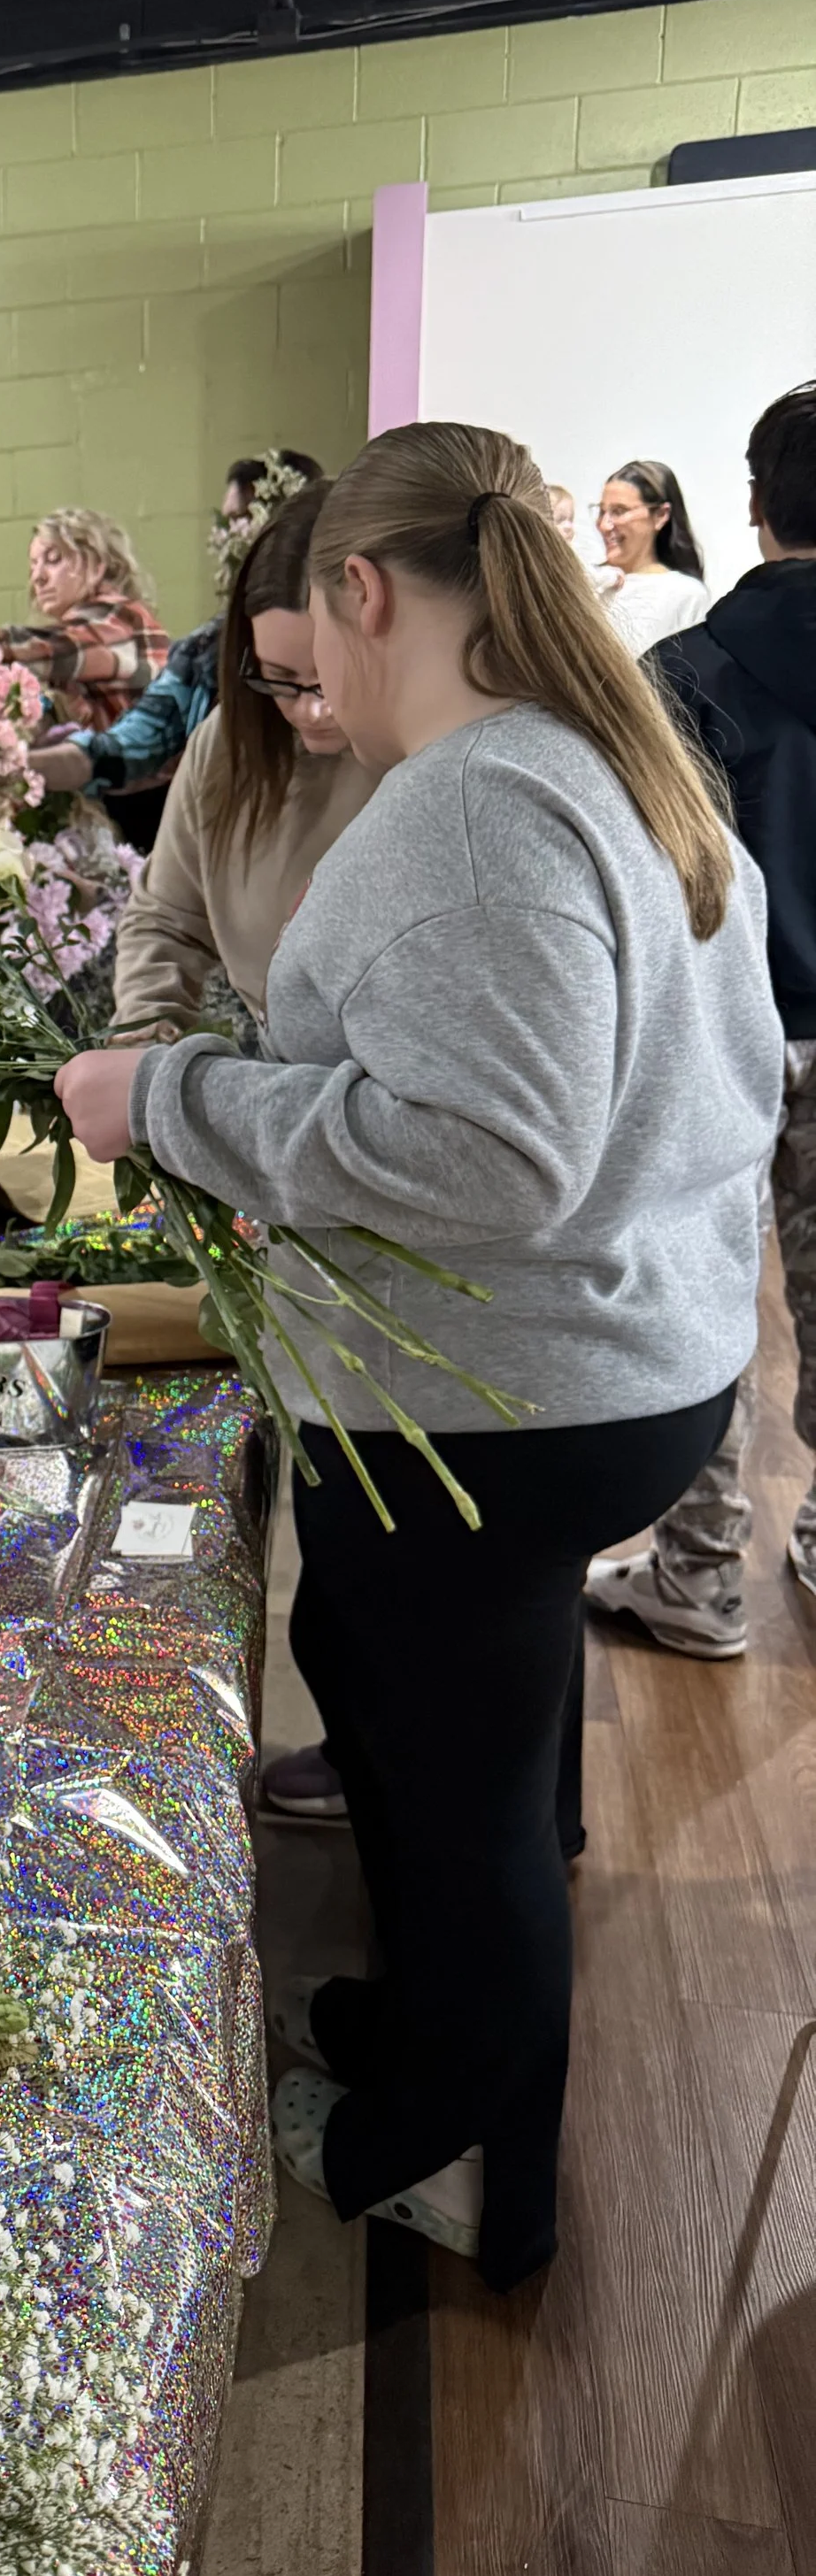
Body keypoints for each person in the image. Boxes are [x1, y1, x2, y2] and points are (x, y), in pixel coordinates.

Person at [55, 421, 780, 2289]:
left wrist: (172, 1097)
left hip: (496, 1395)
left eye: (312, 654)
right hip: (613, 1368)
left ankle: (440, 2157)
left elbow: (484, 1151)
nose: (311, 701)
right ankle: (447, 2075)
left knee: (458, 1811)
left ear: (361, 594)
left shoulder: (476, 796)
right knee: (449, 1737)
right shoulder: (615, 753)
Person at [589, 380, 816, 1654]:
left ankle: (703, 1574)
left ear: (748, 502)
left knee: (716, 1301)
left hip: (729, 1033)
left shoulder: (685, 672)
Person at [110, 478, 370, 1044]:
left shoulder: (433, 761)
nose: (312, 709)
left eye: (329, 679)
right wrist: (145, 1031)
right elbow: (165, 919)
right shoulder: (226, 745)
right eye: (280, 681)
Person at [39, 456, 322, 837]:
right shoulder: (206, 651)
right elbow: (133, 742)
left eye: (239, 520)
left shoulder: (365, 641)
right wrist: (21, 766)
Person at [594, 457, 710, 651]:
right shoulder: (586, 582)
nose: (604, 525)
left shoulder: (685, 595)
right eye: (601, 512)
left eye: (619, 511)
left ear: (660, 516)